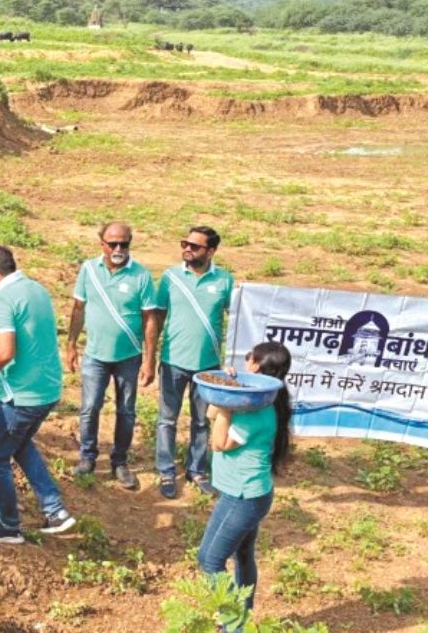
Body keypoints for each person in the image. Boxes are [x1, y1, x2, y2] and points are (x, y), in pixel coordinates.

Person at [0, 245, 75, 543]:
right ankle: (55, 510)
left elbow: (4, 353)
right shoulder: (35, 288)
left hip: (20, 397)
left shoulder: (1, 299)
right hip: (48, 389)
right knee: (20, 444)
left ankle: (8, 525)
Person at [198, 341, 292, 621]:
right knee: (242, 555)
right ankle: (243, 616)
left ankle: (234, 623)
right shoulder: (256, 400)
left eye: (248, 357)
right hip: (249, 493)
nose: (245, 360)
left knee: (209, 559)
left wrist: (228, 401)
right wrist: (224, 390)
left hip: (244, 497)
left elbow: (218, 443)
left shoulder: (257, 413)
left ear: (255, 366)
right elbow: (210, 414)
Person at [66, 221, 159, 490]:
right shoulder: (88, 270)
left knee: (126, 411)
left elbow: (149, 319)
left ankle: (120, 462)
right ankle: (87, 458)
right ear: (102, 244)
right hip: (95, 355)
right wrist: (71, 345)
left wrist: (150, 359)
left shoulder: (141, 275)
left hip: (129, 357)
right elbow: (78, 308)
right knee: (90, 408)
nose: (119, 249)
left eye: (124, 244)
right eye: (113, 244)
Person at [154, 226, 235, 499]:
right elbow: (158, 317)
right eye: (185, 243)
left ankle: (196, 470)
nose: (187, 249)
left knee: (201, 421)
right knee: (167, 419)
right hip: (173, 361)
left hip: (208, 365)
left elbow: (236, 322)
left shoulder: (225, 281)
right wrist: (151, 355)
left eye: (195, 246)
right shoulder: (170, 277)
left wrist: (230, 361)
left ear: (211, 251)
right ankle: (166, 472)